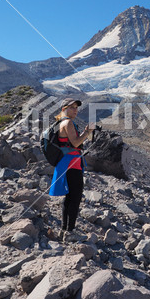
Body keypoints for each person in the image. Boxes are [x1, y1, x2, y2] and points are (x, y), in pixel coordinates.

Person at [51, 98, 95, 236]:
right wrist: (87, 132)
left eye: (76, 107)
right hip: (72, 163)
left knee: (69, 197)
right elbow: (76, 143)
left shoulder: (60, 123)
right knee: (75, 196)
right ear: (64, 109)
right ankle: (69, 231)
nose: (75, 110)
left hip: (67, 162)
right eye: (72, 107)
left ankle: (65, 229)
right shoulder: (68, 122)